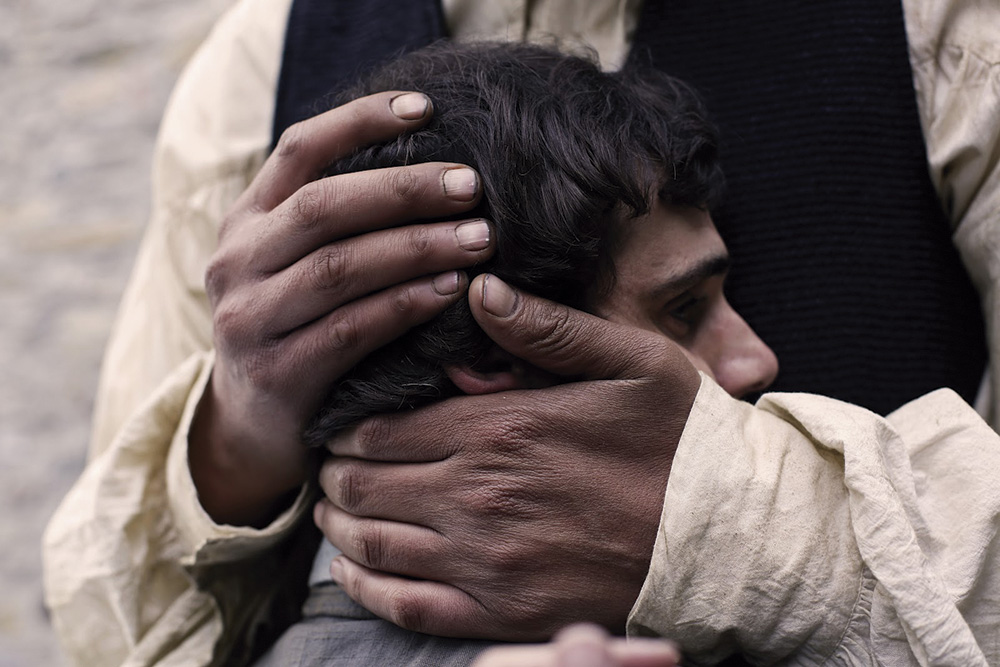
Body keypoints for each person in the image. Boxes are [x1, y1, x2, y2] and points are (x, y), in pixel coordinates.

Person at [42, 0, 1000, 665]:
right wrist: (234, 444)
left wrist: (749, 529)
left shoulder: (951, 32)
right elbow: (104, 631)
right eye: (684, 308)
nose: (758, 361)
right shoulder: (253, 68)